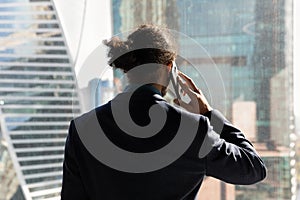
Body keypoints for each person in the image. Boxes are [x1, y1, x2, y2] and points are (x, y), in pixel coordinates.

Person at [61, 24, 266, 200]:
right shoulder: (192, 130)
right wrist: (208, 113)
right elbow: (254, 168)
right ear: (170, 68)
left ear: (128, 69)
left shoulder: (82, 128)